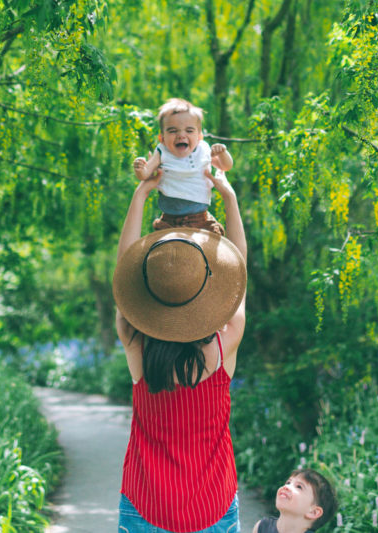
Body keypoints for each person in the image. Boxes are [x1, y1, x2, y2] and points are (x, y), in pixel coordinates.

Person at [112, 166, 247, 532]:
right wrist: (229, 199)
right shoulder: (222, 348)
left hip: (145, 505)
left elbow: (123, 277)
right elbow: (240, 275)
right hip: (212, 507)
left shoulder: (137, 347)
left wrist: (141, 195)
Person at [133, 98, 234, 235]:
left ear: (199, 137)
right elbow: (145, 174)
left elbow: (226, 166)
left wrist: (222, 153)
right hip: (169, 219)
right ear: (162, 137)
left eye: (189, 131)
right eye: (173, 131)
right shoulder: (162, 152)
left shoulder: (203, 150)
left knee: (216, 243)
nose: (181, 135)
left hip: (201, 218)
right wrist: (140, 168)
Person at [252, 469, 338, 533]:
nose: (287, 487)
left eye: (299, 487)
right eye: (288, 482)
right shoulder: (262, 527)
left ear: (313, 512)